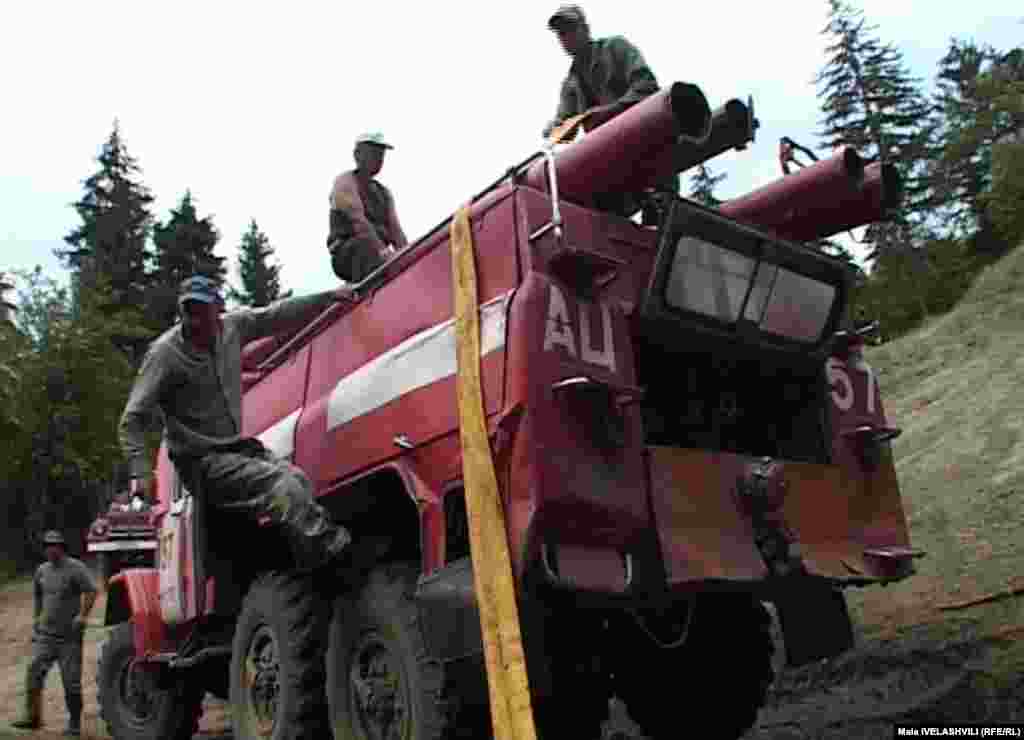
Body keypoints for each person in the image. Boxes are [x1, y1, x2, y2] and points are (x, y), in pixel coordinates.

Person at [118, 275, 354, 573]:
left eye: (201, 310)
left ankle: (305, 562)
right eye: (188, 311)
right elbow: (133, 418)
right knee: (279, 485)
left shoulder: (234, 326)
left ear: (217, 310)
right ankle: (341, 555)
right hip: (199, 461)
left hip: (236, 447)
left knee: (297, 478)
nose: (194, 320)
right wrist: (140, 474)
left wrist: (330, 297)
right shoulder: (165, 354)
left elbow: (276, 314)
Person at [541, 4, 680, 224]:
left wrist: (610, 112)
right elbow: (562, 126)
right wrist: (552, 129)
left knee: (664, 220)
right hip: (615, 166)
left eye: (570, 29)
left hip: (649, 148)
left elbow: (647, 87)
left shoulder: (615, 48)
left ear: (585, 28)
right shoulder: (571, 84)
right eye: (561, 34)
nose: (565, 37)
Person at [11, 530, 98, 736]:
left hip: (69, 638)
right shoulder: (42, 571)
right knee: (33, 673)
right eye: (48, 546)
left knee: (71, 682)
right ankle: (33, 718)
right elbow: (38, 597)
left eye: (55, 545)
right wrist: (36, 621)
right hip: (46, 636)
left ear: (62, 547)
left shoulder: (76, 568)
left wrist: (83, 616)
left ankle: (74, 724)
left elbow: (92, 590)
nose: (51, 549)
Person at [328, 132, 409, 283]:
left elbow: (396, 232)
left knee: (403, 258)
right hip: (349, 254)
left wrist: (408, 255)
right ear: (357, 154)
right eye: (373, 153)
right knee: (365, 247)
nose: (379, 158)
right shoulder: (345, 183)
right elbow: (359, 223)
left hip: (377, 255)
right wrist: (385, 254)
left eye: (381, 154)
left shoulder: (384, 193)